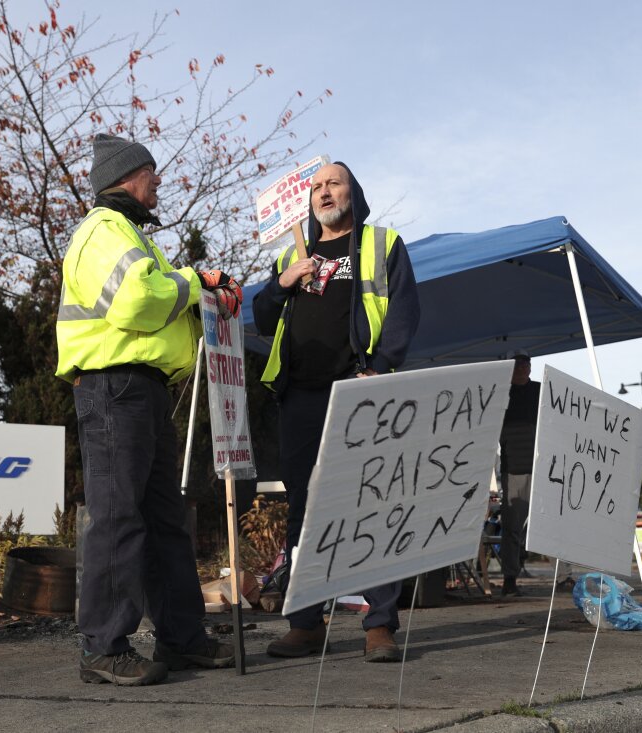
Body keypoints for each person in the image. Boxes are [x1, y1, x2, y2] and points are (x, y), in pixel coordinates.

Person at [56, 134, 240, 686]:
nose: (159, 181)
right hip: (116, 388)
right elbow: (137, 301)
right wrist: (194, 280)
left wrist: (203, 295)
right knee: (119, 518)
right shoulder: (103, 231)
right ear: (128, 175)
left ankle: (182, 639)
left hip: (138, 390)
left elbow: (155, 299)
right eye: (152, 172)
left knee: (162, 521)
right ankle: (102, 648)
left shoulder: (126, 234)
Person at [252, 161, 420, 662]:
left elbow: (406, 311)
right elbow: (261, 317)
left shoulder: (380, 244)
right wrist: (284, 281)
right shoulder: (292, 252)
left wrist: (383, 366)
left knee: (372, 502)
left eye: (334, 183)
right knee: (305, 511)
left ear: (354, 192)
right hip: (300, 397)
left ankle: (379, 625)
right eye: (317, 186)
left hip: (358, 390)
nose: (324, 192)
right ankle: (305, 622)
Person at [497, 351, 575, 595]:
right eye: (518, 364)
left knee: (554, 524)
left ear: (530, 367)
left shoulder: (543, 391)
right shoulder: (500, 393)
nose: (522, 368)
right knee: (512, 527)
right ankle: (510, 579)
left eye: (526, 363)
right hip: (515, 469)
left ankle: (564, 576)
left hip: (546, 468)